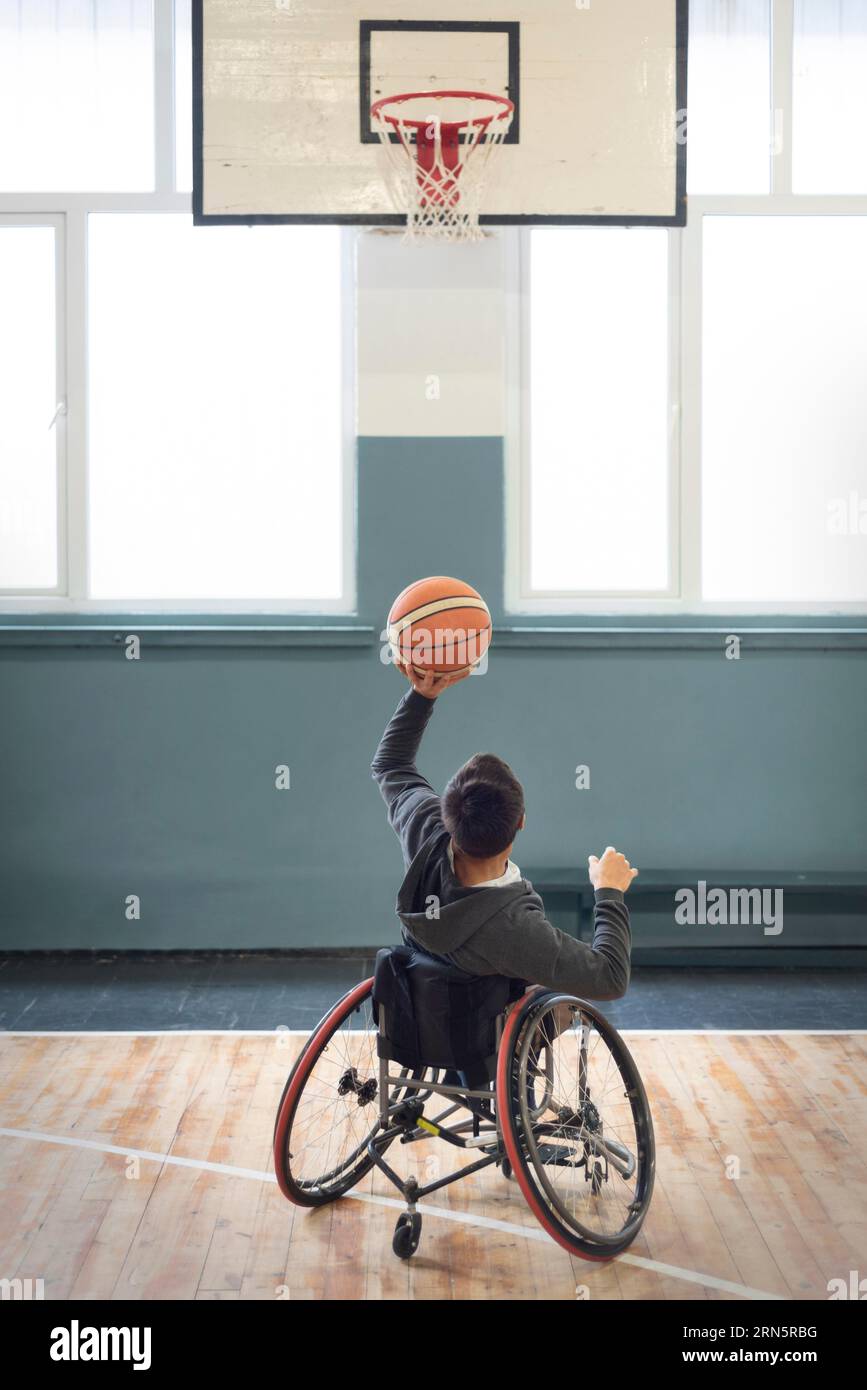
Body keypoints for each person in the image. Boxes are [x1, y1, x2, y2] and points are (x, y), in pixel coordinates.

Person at [371, 661, 638, 1005]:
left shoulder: (425, 828)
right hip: (485, 1040)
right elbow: (610, 978)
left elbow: (390, 764)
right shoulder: (516, 931)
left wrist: (422, 695)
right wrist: (609, 892)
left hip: (421, 1020)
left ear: (447, 815)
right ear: (521, 822)